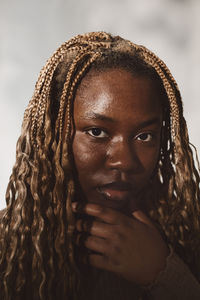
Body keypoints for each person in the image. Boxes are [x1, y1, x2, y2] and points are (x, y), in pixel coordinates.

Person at [0, 31, 200, 300]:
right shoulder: (5, 245)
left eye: (145, 136)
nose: (125, 161)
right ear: (50, 135)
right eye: (97, 132)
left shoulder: (188, 238)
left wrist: (165, 273)